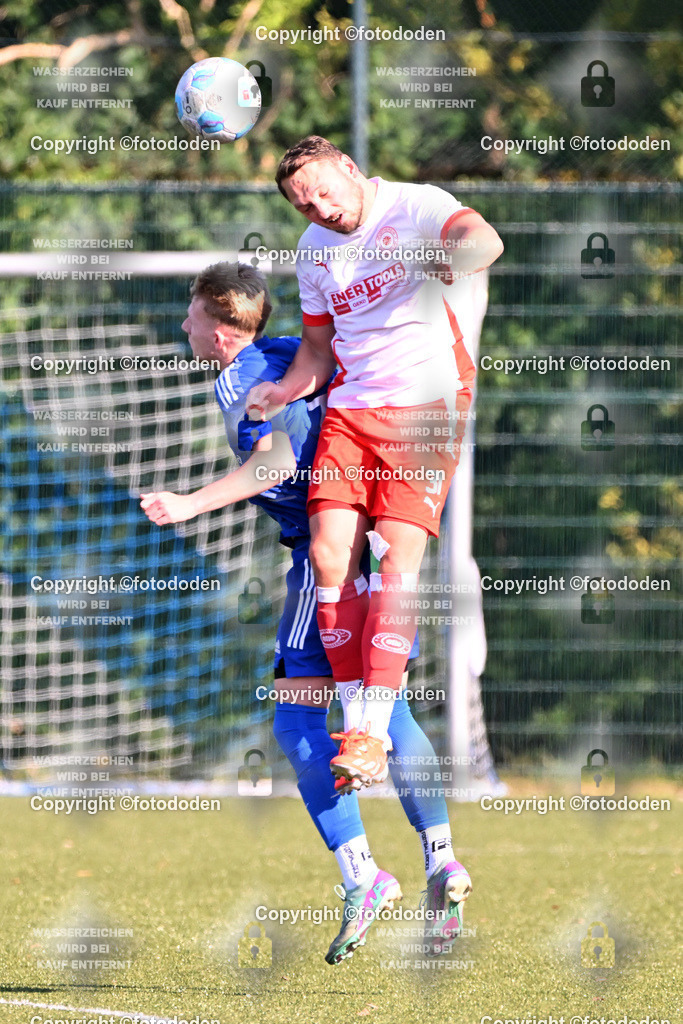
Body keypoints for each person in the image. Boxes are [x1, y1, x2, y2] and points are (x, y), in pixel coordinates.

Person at [140, 261, 470, 963]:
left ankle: (362, 876)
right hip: (381, 536)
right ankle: (442, 860)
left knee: (294, 717)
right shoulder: (294, 350)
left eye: (191, 313)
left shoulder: (240, 376)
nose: (182, 324)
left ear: (221, 329)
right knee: (392, 711)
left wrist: (188, 504)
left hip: (329, 555)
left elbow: (275, 463)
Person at [247, 134, 504, 932]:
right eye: (303, 204)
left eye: (323, 193)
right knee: (329, 554)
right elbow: (320, 351)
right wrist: (279, 391)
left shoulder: (414, 207)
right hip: (353, 416)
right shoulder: (313, 250)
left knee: (395, 562)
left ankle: (363, 734)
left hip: (426, 410)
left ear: (350, 171)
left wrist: (450, 260)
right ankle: (368, 739)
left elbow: (484, 240)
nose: (319, 209)